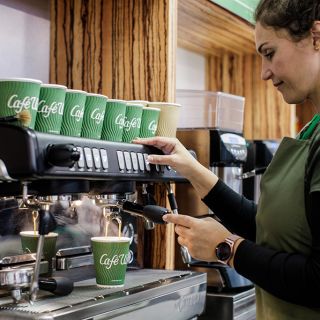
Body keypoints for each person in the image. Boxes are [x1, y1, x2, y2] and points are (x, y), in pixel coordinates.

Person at [134, 1, 320, 319]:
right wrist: (193, 169)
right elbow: (271, 230)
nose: (264, 72)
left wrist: (229, 249)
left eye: (270, 52)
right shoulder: (311, 131)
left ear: (316, 37)